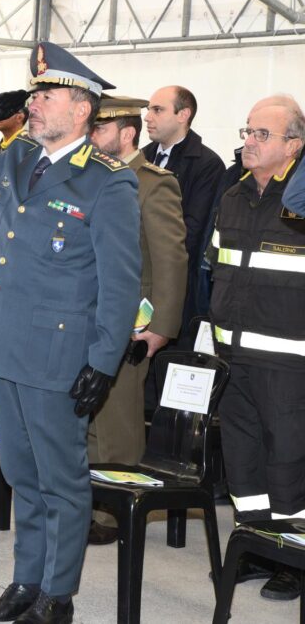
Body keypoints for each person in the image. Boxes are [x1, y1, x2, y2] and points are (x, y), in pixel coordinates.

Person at [0, 42, 141, 623]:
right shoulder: (17, 156)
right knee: (20, 472)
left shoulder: (107, 182)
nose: (33, 104)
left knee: (61, 479)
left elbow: (120, 283)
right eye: (32, 94)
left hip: (57, 354)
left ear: (81, 109)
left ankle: (58, 595)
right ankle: (25, 581)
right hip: (1, 344)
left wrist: (103, 362)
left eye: (45, 96)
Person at [210, 97, 305, 602]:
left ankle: (294, 557)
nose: (249, 140)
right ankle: (255, 545)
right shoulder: (234, 195)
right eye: (248, 131)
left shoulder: (301, 199)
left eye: (262, 134)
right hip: (233, 356)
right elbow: (218, 270)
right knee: (241, 459)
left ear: (295, 144)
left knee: (288, 458)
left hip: (289, 359)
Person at [86, 95, 187, 545]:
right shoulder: (90, 175)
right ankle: (89, 500)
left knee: (117, 419)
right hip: (85, 312)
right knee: (87, 415)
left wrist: (161, 326)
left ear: (125, 134)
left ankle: (114, 512)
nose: (91, 138)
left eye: (99, 130)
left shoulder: (152, 183)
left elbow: (169, 258)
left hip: (131, 320)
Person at [143, 85, 225, 335]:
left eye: (157, 110)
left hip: (176, 288)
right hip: (139, 279)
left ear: (183, 114)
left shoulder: (207, 165)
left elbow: (191, 233)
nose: (148, 117)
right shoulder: (142, 157)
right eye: (149, 110)